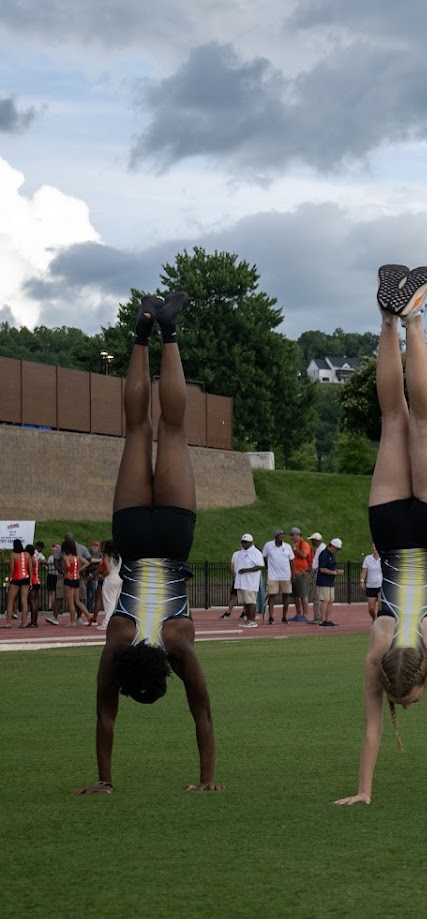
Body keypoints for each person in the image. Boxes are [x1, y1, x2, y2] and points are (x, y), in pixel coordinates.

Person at [334, 264, 427, 806]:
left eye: (408, 700)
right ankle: (390, 319)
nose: (409, 705)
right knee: (394, 417)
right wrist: (363, 793)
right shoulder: (378, 645)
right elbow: (374, 729)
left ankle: (414, 317)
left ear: (421, 676)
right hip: (391, 529)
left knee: (423, 419)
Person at [76, 291, 219, 794]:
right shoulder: (116, 641)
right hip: (134, 534)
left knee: (173, 429)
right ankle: (142, 331)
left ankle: (170, 330)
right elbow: (104, 716)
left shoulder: (179, 644)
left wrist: (208, 780)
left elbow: (203, 715)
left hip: (174, 537)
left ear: (164, 670)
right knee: (137, 429)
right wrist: (102, 780)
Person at [231, 533, 263, 628]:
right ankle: (248, 619)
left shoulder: (256, 552)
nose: (243, 544)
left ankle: (252, 620)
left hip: (250, 582)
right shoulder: (242, 552)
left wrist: (246, 570)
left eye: (245, 542)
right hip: (241, 582)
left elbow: (260, 566)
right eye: (242, 542)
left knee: (251, 601)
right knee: (246, 602)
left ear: (250, 542)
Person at [263, 528, 294, 624]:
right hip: (273, 576)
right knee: (272, 596)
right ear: (276, 537)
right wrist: (267, 566)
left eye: (283, 536)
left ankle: (284, 616)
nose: (282, 538)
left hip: (285, 575)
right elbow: (263, 557)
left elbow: (292, 560)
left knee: (286, 596)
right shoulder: (268, 545)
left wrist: (293, 573)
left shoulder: (287, 546)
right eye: (280, 536)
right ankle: (271, 616)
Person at [95, 540, 123, 629]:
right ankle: (115, 621)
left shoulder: (107, 556)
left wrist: (102, 575)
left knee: (109, 601)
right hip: (119, 578)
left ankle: (106, 622)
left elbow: (107, 570)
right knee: (116, 601)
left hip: (110, 579)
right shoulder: (119, 556)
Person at [316, 538, 343, 626]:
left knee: (330, 600)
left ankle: (327, 619)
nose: (337, 551)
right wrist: (334, 572)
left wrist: (336, 571)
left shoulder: (331, 555)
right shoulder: (324, 554)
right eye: (336, 549)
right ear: (332, 547)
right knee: (325, 600)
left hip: (330, 581)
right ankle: (322, 620)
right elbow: (322, 569)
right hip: (324, 581)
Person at [289, 527, 314, 622]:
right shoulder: (293, 545)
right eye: (291, 535)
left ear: (299, 535)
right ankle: (298, 614)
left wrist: (294, 549)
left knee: (303, 594)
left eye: (293, 535)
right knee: (295, 595)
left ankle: (305, 614)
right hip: (294, 573)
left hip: (302, 573)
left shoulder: (304, 544)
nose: (292, 537)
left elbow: (304, 555)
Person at [360, 543, 382, 620]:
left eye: (375, 547)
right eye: (372, 547)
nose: (374, 548)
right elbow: (364, 571)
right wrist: (362, 581)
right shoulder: (368, 559)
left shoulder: (382, 558)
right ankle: (374, 618)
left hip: (380, 585)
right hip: (371, 585)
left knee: (381, 604)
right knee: (371, 608)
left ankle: (379, 619)